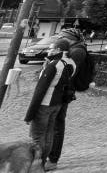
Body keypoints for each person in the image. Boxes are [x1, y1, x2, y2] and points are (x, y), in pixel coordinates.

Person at [24, 39, 74, 171]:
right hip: (57, 103)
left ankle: (37, 164)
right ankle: (44, 162)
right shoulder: (70, 63)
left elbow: (40, 90)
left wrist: (29, 114)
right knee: (49, 133)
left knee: (37, 136)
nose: (49, 50)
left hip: (45, 103)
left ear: (58, 50)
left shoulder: (54, 65)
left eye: (51, 48)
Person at [47, 28, 87, 170]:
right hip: (61, 90)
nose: (59, 38)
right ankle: (50, 156)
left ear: (69, 38)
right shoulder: (73, 49)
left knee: (57, 125)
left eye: (62, 36)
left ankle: (52, 159)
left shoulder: (77, 51)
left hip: (64, 92)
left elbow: (67, 72)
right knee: (53, 124)